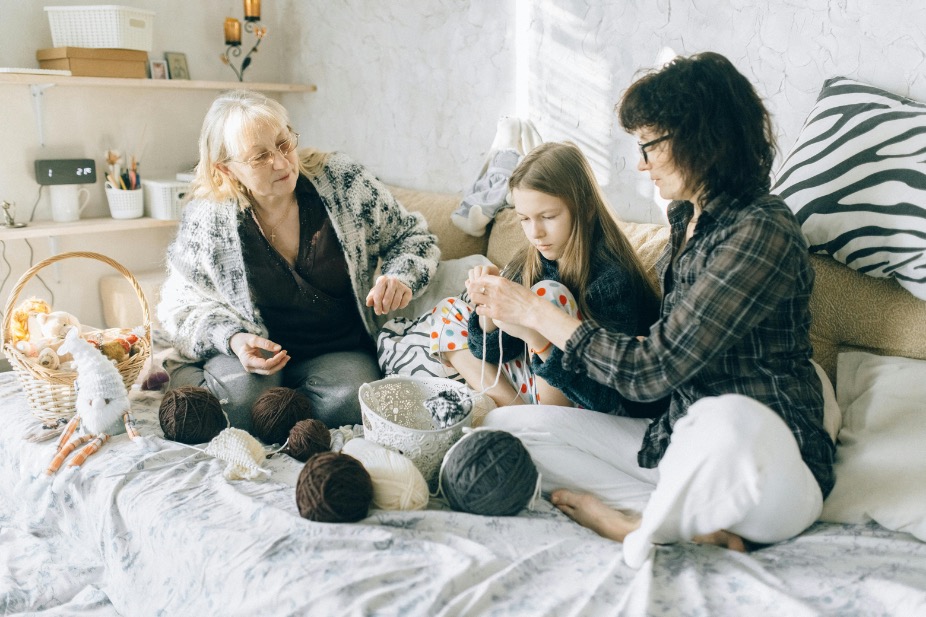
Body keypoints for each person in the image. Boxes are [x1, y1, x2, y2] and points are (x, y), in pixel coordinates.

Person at [469, 52, 835, 567]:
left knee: (728, 417)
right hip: (677, 440)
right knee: (507, 427)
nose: (640, 163)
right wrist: (503, 316)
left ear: (700, 138)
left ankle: (651, 522)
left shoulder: (760, 231)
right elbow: (650, 361)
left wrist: (537, 315)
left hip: (761, 462)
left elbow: (653, 370)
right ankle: (674, 522)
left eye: (649, 146)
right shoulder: (686, 221)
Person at [158, 90, 440, 432]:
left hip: (336, 349)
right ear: (227, 170)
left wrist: (401, 276)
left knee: (354, 400)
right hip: (256, 356)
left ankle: (276, 405)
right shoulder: (208, 219)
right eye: (259, 156)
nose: (280, 161)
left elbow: (412, 237)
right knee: (243, 407)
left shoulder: (341, 181)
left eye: (283, 143)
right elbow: (178, 308)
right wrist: (233, 339)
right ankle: (192, 375)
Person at [431, 141, 664, 417]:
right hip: (534, 385)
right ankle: (516, 411)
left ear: (586, 208)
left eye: (548, 217)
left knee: (548, 294)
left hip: (586, 400)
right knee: (448, 311)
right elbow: (492, 355)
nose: (535, 233)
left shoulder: (612, 279)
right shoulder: (531, 259)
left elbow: (608, 395)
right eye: (525, 219)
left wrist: (536, 334)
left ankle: (543, 420)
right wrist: (487, 311)